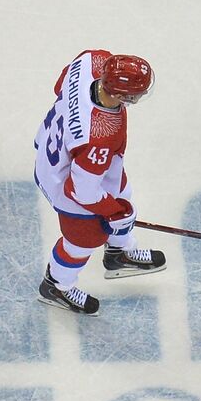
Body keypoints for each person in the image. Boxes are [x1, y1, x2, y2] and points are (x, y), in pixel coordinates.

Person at [33, 49, 166, 315]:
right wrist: (115, 213)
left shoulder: (92, 61)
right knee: (82, 241)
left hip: (83, 164)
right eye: (136, 94)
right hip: (66, 182)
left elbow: (60, 84)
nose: (140, 97)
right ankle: (56, 285)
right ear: (117, 95)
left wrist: (119, 208)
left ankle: (119, 255)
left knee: (122, 194)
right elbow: (81, 191)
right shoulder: (99, 137)